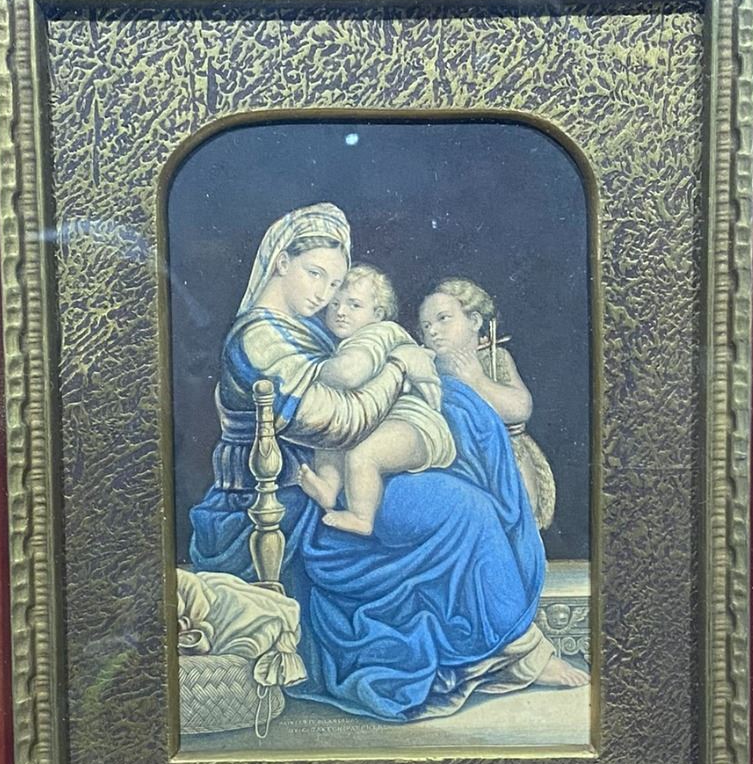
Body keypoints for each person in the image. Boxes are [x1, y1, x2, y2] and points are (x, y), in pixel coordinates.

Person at [188, 203, 583, 721]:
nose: (325, 295)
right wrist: (401, 364)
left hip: (336, 477)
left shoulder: (307, 329)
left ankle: (510, 648)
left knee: (468, 498)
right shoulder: (258, 337)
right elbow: (335, 421)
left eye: (335, 284)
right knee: (463, 510)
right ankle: (517, 652)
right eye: (316, 275)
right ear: (281, 261)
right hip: (287, 497)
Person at [298, 264, 456, 536]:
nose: (341, 311)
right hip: (376, 421)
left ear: (378, 314)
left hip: (415, 425)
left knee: (362, 453)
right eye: (334, 304)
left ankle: (361, 517)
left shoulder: (379, 333)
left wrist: (310, 373)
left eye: (354, 305)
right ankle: (328, 487)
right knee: (332, 434)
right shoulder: (348, 341)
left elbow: (349, 374)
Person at [418, 278, 557, 529]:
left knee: (516, 513)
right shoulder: (427, 368)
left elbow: (520, 408)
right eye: (426, 326)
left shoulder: (494, 358)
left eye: (443, 319)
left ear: (474, 321)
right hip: (454, 460)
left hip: (503, 458)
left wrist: (476, 380)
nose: (433, 331)